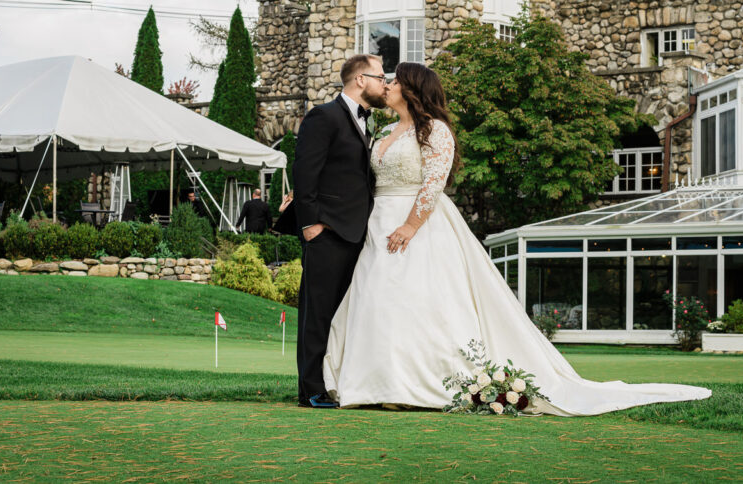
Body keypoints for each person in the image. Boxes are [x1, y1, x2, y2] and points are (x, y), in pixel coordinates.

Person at [322, 62, 711, 415]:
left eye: (395, 81)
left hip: (419, 225)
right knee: (377, 300)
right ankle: (375, 382)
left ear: (412, 89)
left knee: (419, 301)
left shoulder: (435, 130)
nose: (387, 85)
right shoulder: (383, 131)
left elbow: (433, 183)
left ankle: (418, 384)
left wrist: (410, 225)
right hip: (377, 224)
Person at [293, 53, 387, 409]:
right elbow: (305, 172)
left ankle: (338, 382)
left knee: (345, 316)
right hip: (327, 232)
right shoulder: (324, 116)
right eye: (380, 77)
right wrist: (310, 225)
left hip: (358, 234)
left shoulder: (367, 122)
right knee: (317, 314)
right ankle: (311, 389)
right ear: (360, 79)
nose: (385, 84)